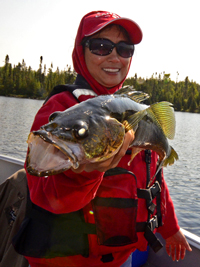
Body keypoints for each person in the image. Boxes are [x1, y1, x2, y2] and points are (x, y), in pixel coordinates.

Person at [13, 11, 192, 267]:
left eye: (124, 49)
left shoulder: (136, 111)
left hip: (122, 258)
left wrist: (171, 226)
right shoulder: (61, 111)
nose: (113, 56)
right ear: (80, 51)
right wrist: (85, 173)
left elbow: (154, 178)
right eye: (100, 46)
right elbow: (46, 197)